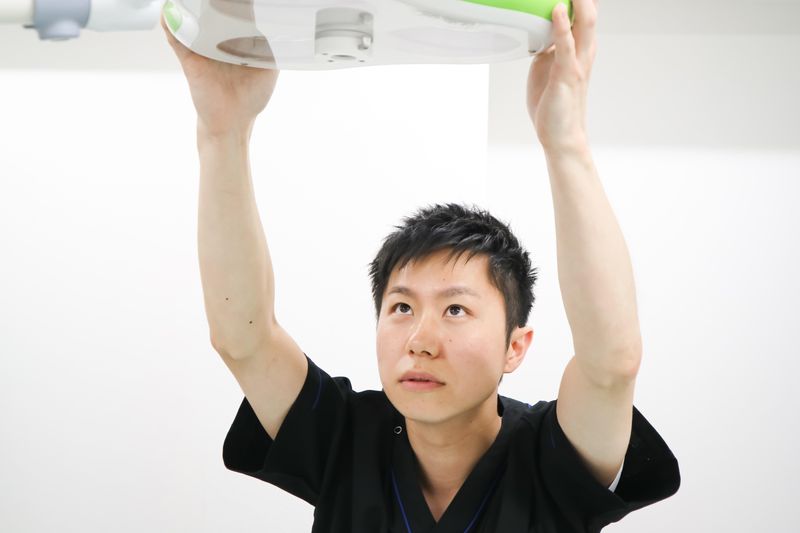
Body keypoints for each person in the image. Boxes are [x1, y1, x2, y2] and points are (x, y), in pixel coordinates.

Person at [163, 0, 680, 531]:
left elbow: (611, 365)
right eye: (402, 307)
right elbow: (243, 338)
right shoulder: (345, 440)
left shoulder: (553, 458)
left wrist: (565, 144)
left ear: (515, 346)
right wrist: (223, 132)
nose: (420, 341)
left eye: (455, 309)